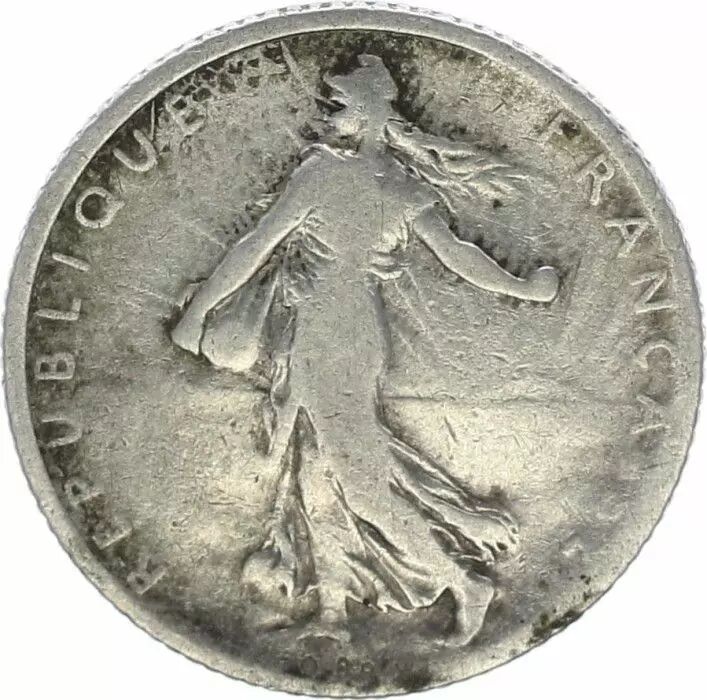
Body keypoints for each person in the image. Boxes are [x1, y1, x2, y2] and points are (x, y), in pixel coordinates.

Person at [171, 54, 559, 644]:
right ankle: (333, 608)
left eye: (338, 101)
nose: (327, 112)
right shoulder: (400, 187)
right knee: (315, 467)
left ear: (369, 110)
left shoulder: (323, 175)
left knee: (363, 487)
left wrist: (198, 313)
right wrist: (522, 288)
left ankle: (462, 581)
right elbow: (458, 256)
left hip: (329, 337)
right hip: (343, 333)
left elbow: (255, 245)